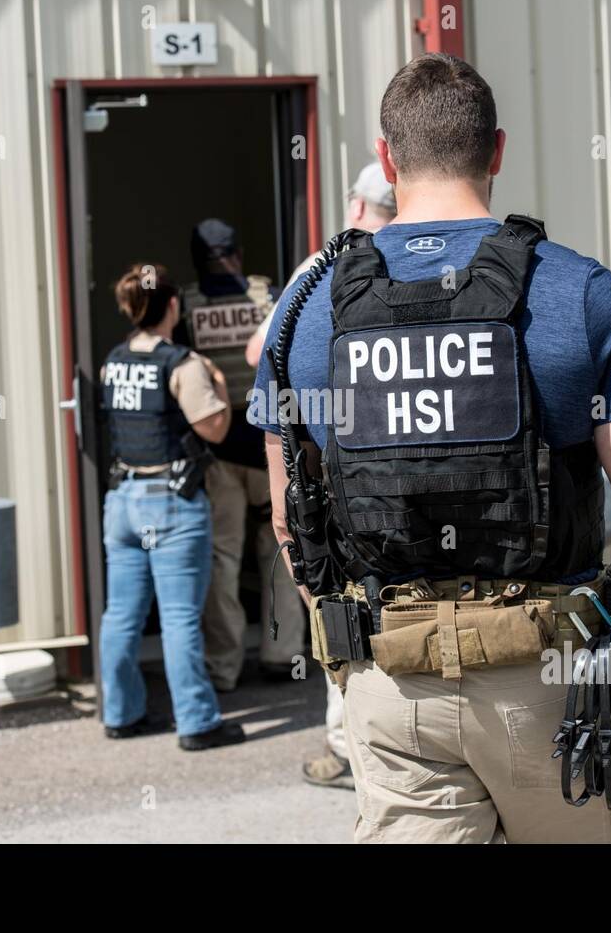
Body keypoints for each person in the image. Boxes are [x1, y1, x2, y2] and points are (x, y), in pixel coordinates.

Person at [255, 54, 611, 842]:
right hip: (553, 688)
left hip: (391, 687)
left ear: (386, 157)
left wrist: (347, 662)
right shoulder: (579, 293)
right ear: (497, 151)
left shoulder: (307, 316)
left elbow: (287, 520)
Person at [245, 162, 396, 792]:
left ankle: (349, 747)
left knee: (342, 617)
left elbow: (262, 355)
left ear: (355, 205)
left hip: (335, 480)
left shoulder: (320, 269)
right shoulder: (434, 260)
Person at [98, 263, 246, 751]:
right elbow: (215, 430)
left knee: (122, 614)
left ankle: (121, 714)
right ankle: (198, 723)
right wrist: (219, 383)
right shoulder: (183, 365)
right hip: (171, 505)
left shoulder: (114, 360)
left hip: (122, 502)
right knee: (181, 617)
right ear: (173, 307)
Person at [181, 220, 306, 691]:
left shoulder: (188, 304)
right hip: (268, 444)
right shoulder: (268, 295)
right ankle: (283, 653)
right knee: (277, 549)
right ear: (237, 250)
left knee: (222, 559)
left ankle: (223, 666)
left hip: (218, 450)